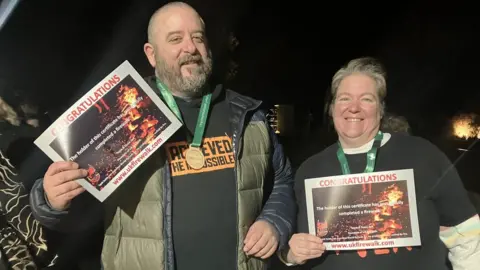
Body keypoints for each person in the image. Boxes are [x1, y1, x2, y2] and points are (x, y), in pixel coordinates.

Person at [29, 2, 296, 270]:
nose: (190, 48)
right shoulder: (121, 113)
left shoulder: (249, 115)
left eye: (198, 37)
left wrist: (274, 220)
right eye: (175, 39)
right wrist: (51, 200)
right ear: (152, 54)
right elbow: (82, 213)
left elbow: (282, 180)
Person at [282, 57, 480, 269]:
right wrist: (290, 255)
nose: (354, 108)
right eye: (344, 98)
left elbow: (466, 237)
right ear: (331, 108)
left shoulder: (422, 155)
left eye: (366, 99)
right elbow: (287, 241)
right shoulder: (310, 170)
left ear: (380, 109)